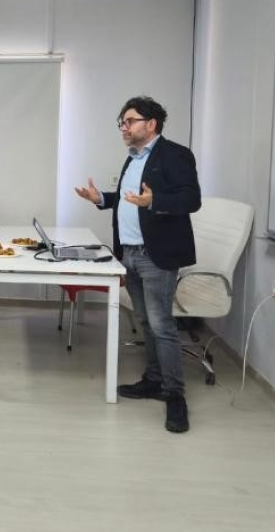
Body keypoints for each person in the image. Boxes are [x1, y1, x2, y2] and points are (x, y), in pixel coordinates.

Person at [75, 96, 200, 434]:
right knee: (145, 321)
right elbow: (128, 200)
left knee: (162, 325)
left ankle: (175, 395)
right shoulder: (133, 159)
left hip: (155, 254)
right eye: (122, 123)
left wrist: (155, 201)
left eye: (129, 121)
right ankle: (154, 380)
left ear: (151, 124)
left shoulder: (175, 155)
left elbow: (192, 199)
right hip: (128, 253)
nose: (124, 128)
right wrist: (102, 198)